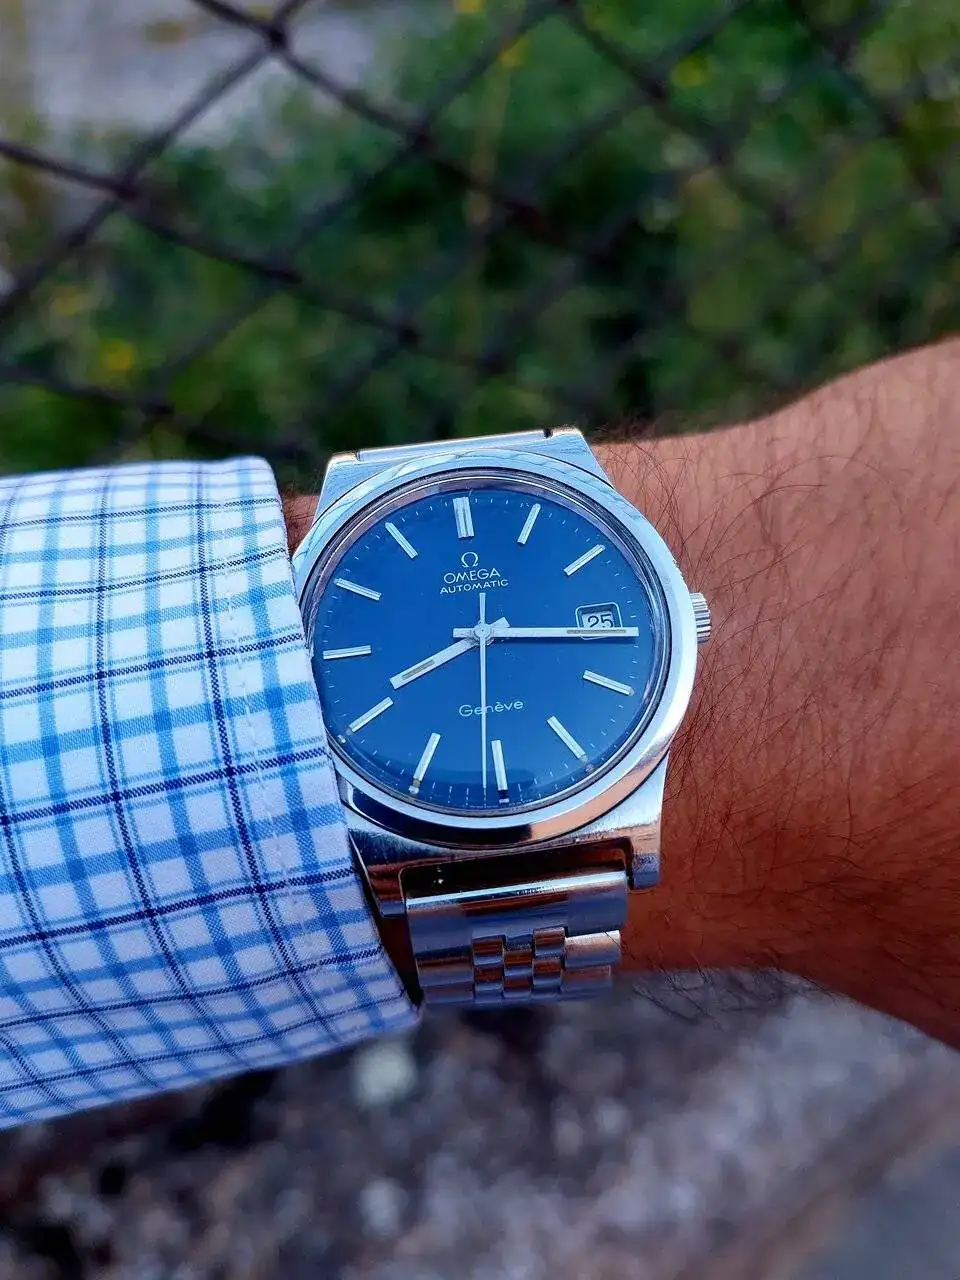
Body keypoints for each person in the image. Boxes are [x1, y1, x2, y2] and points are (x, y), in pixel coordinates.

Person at [0, 339, 957, 1131]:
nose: (484, 634)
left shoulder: (637, 634)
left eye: (491, 629)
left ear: (685, 616)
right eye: (477, 632)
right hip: (409, 798)